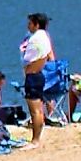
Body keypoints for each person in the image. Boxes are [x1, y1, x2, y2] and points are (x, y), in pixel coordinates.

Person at [20, 11, 56, 143]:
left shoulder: (35, 39)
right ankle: (37, 138)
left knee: (35, 111)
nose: (28, 26)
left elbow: (26, 59)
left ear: (36, 24)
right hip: (39, 75)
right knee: (39, 111)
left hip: (33, 76)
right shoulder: (45, 37)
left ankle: (35, 140)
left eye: (30, 23)